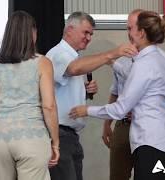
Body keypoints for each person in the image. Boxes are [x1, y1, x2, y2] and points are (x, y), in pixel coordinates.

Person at [70, 10, 165, 180]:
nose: (128, 34)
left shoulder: (144, 63)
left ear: (141, 33)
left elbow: (120, 108)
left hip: (148, 143)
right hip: (162, 142)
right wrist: (112, 61)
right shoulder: (158, 60)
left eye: (131, 29)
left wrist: (86, 110)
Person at [46, 11, 138, 180]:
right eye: (85, 32)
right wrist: (111, 53)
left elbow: (63, 89)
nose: (89, 38)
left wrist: (86, 92)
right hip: (60, 135)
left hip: (70, 136)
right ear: (69, 30)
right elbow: (73, 69)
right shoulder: (59, 53)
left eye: (91, 34)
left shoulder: (73, 56)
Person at [0, 11, 59, 180]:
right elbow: (49, 106)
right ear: (32, 33)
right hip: (32, 136)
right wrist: (56, 142)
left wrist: (4, 124)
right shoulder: (43, 63)